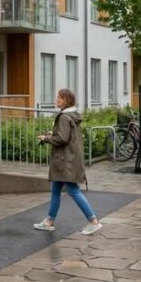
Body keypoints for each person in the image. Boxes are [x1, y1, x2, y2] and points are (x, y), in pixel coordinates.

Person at [34, 88, 102, 235]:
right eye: (57, 97)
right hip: (66, 159)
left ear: (66, 100)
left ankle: (93, 221)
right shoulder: (72, 115)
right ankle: (50, 221)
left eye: (59, 98)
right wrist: (54, 134)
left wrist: (47, 138)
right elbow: (67, 135)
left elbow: (62, 139)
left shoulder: (64, 117)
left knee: (73, 191)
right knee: (55, 190)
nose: (56, 100)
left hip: (65, 161)